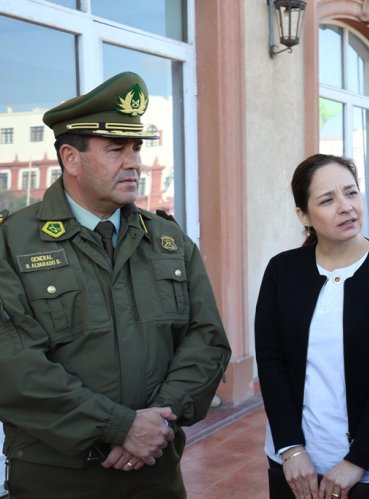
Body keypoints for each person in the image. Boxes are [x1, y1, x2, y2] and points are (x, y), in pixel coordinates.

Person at [0, 72, 231, 498]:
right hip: (57, 478)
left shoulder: (168, 240)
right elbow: (13, 366)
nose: (134, 162)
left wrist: (156, 425)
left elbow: (207, 339)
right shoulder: (12, 243)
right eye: (116, 149)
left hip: (155, 475)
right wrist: (119, 427)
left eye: (137, 148)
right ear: (71, 158)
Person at [255, 153, 369, 499]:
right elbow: (271, 365)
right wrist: (291, 448)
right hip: (294, 466)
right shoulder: (282, 272)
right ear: (303, 215)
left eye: (351, 193)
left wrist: (357, 461)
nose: (346, 207)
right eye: (328, 200)